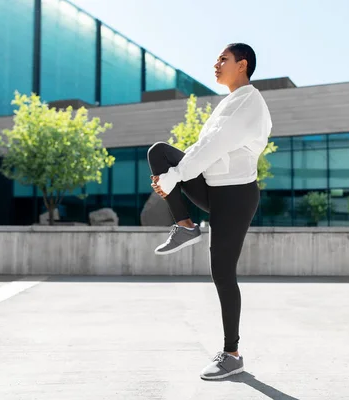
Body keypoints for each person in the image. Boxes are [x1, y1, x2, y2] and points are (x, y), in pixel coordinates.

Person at [146, 43, 272, 380]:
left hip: (237, 195)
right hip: (213, 187)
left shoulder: (250, 102)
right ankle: (185, 225)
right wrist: (173, 177)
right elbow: (201, 147)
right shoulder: (229, 102)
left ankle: (232, 354)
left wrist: (174, 178)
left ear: (242, 65)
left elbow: (217, 143)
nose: (215, 64)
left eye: (223, 59)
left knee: (223, 271)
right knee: (160, 153)